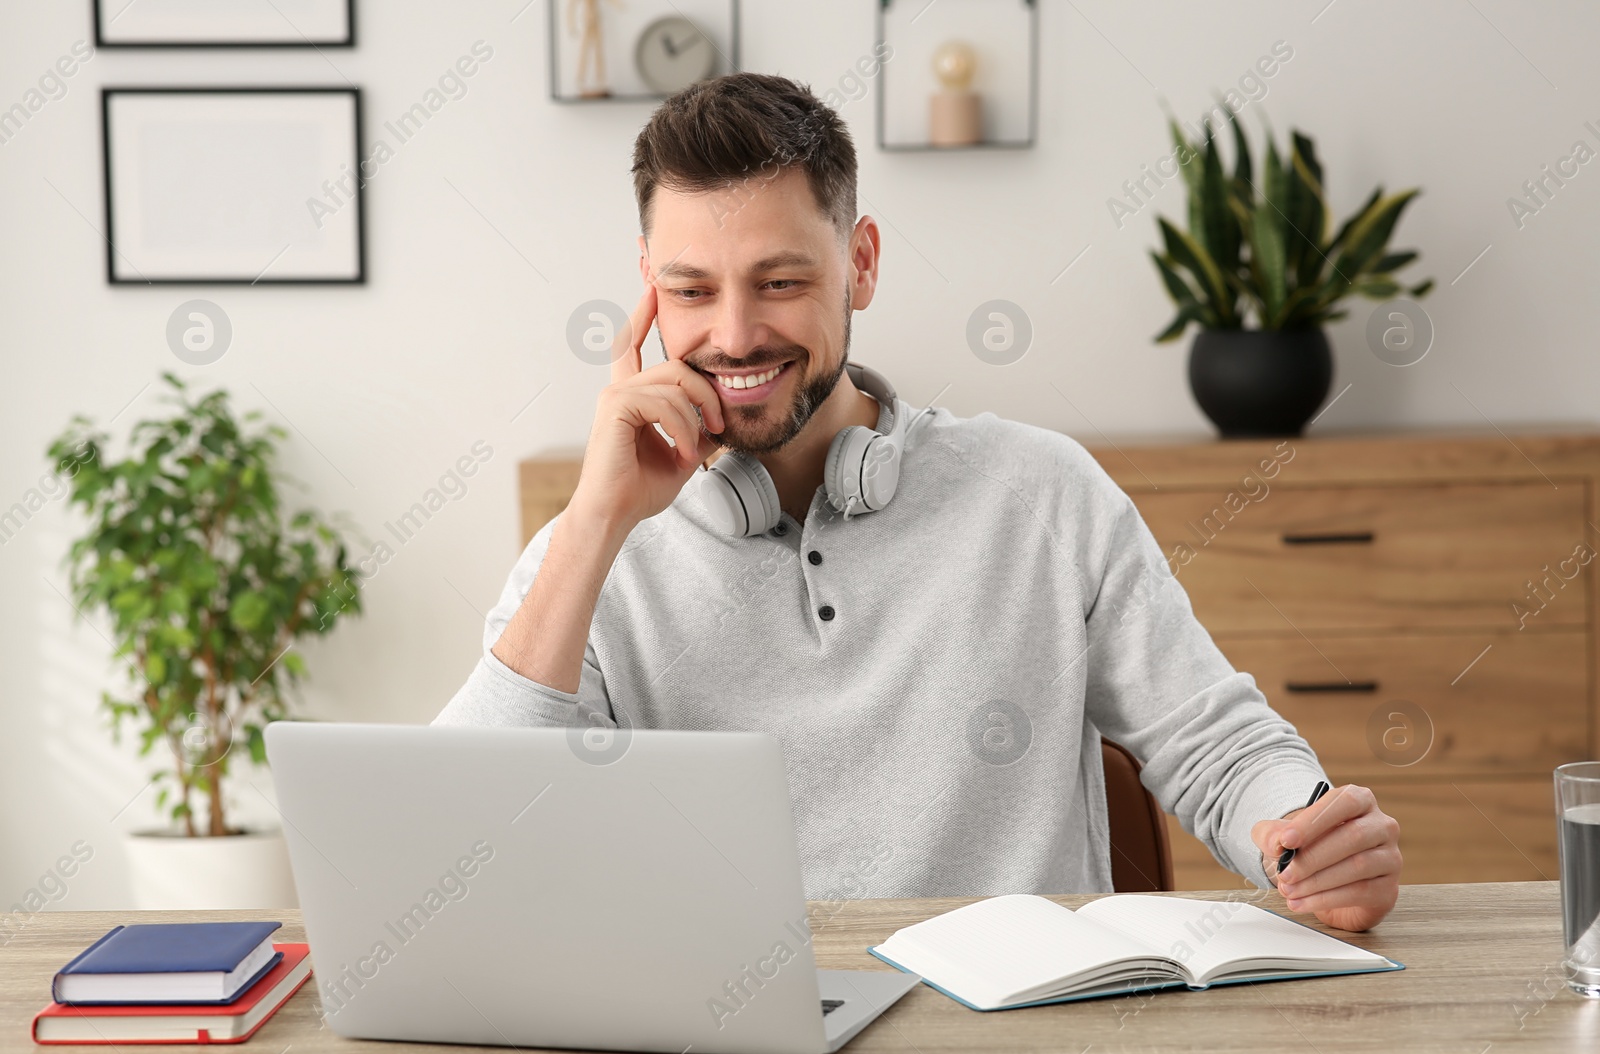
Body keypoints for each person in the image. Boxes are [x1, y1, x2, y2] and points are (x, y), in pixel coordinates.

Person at [433, 72, 1402, 932]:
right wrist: (596, 522)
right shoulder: (591, 555)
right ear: (648, 288)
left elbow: (1214, 742)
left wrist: (1299, 830)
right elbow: (455, 843)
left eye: (778, 281)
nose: (733, 335)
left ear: (860, 261)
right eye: (691, 291)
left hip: (1019, 1040)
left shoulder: (1041, 492)